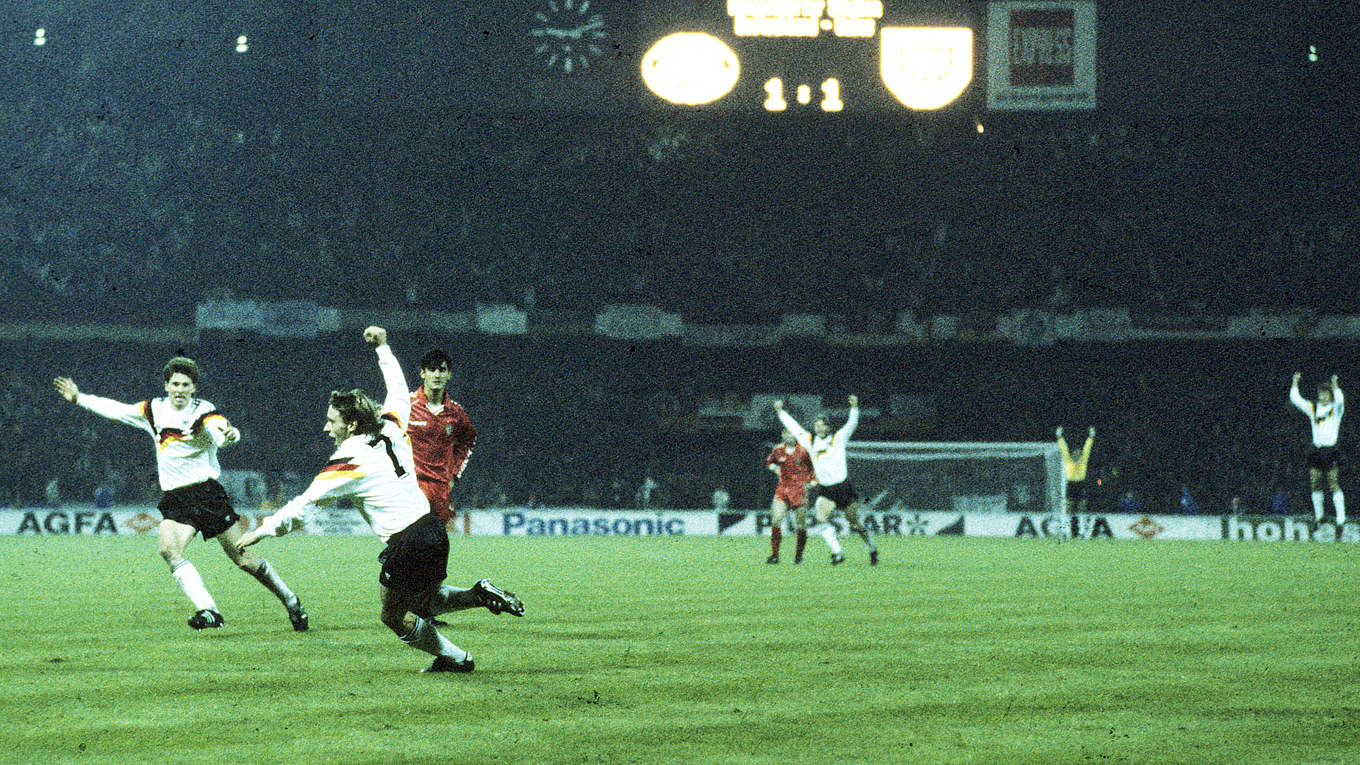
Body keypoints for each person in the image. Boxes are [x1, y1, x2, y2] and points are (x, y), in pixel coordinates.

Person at [237, 327, 524, 673]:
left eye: (331, 422)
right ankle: (479, 593)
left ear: (351, 424)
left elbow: (305, 504)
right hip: (433, 530)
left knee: (392, 615)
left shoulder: (350, 458)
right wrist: (383, 348)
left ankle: (457, 659)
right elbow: (398, 390)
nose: (326, 429)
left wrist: (262, 531)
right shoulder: (392, 425)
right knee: (428, 601)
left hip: (407, 541)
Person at [53, 359, 308, 632]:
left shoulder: (203, 411)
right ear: (166, 385)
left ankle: (291, 601)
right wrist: (79, 398)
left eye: (186, 385)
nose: (179, 389)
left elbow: (220, 430)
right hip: (176, 498)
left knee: (242, 559)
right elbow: (118, 410)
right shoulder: (153, 410)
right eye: (175, 384)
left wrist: (231, 435)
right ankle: (209, 610)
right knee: (168, 550)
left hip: (207, 495)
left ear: (193, 388)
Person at [774, 395, 878, 565]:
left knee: (854, 523)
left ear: (828, 427)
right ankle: (838, 552)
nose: (819, 428)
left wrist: (854, 408)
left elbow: (851, 424)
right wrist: (780, 412)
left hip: (843, 487)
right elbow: (794, 427)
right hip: (826, 489)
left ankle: (871, 546)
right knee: (820, 518)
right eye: (816, 425)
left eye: (822, 425)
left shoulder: (838, 438)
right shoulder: (809, 441)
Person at [407, 349, 477, 535]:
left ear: (449, 374)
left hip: (440, 491)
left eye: (442, 370)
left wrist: (454, 474)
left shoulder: (455, 412)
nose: (437, 375)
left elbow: (468, 440)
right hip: (410, 488)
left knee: (435, 545)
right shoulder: (406, 405)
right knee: (408, 543)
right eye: (432, 370)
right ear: (422, 373)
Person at [1290, 372, 1345, 524]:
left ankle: (1341, 519)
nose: (1324, 397)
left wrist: (1336, 386)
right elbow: (1296, 400)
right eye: (1321, 394)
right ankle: (1319, 517)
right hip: (1316, 450)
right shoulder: (1313, 408)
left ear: (1330, 395)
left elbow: (1340, 400)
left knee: (1333, 483)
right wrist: (1295, 382)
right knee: (1315, 483)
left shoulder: (1336, 409)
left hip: (1331, 450)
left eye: (1327, 394)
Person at [763, 428, 815, 564]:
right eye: (786, 433)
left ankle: (798, 556)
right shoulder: (778, 450)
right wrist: (774, 468)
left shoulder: (803, 451)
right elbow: (769, 462)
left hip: (799, 491)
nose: (789, 436)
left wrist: (811, 483)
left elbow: (813, 469)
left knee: (801, 525)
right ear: (783, 435)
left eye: (791, 433)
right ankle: (775, 556)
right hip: (782, 490)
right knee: (776, 520)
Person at [1056, 426, 1095, 514]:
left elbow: (1087, 448)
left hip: (1081, 483)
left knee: (1082, 504)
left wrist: (1091, 437)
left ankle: (1082, 519)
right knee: (1068, 504)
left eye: (1079, 453)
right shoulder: (1068, 460)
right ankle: (1067, 519)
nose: (1077, 455)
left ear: (1080, 454)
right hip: (1071, 483)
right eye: (1075, 453)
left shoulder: (1083, 460)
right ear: (1072, 454)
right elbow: (1064, 448)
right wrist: (1059, 437)